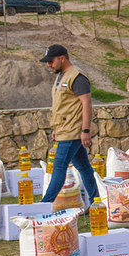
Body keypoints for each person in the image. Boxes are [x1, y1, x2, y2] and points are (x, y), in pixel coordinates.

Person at [39, 44, 99, 204]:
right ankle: (97, 202)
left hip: (73, 132)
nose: (49, 65)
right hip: (65, 130)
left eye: (51, 61)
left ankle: (44, 205)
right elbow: (63, 106)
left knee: (59, 167)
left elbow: (86, 104)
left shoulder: (77, 77)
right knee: (84, 168)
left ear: (62, 58)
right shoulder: (62, 76)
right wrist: (56, 128)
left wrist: (86, 130)